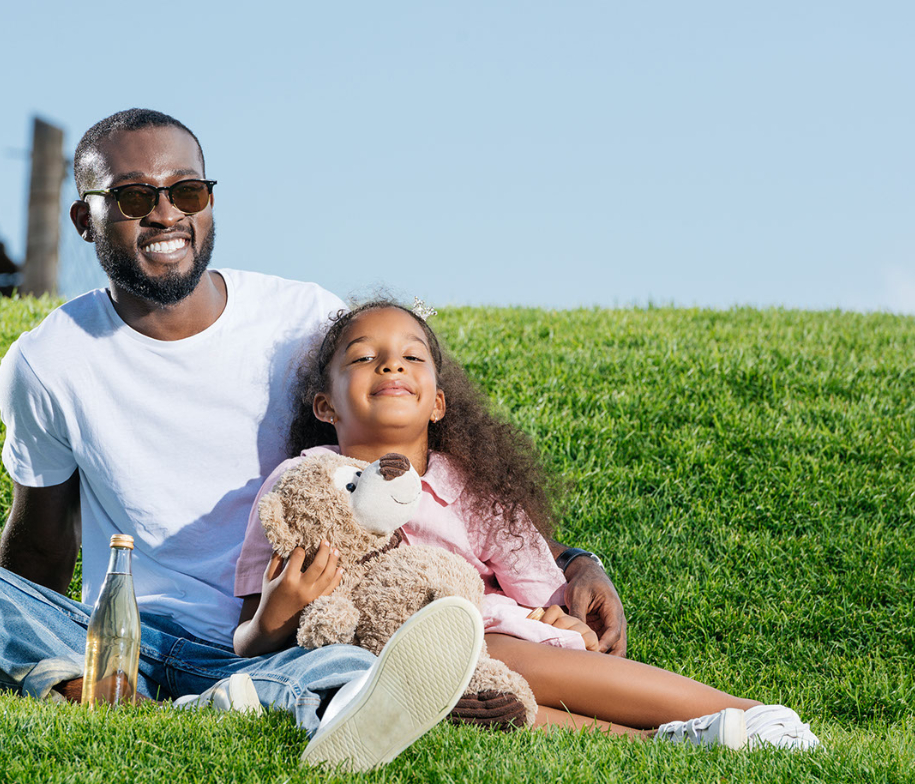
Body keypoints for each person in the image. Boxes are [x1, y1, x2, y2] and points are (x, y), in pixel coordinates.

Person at [0, 108, 549, 772]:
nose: (166, 214)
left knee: (359, 662)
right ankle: (143, 691)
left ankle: (223, 697)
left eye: (187, 190)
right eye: (133, 197)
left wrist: (568, 559)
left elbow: (406, 461)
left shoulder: (300, 317)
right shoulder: (47, 361)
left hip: (276, 636)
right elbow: (40, 542)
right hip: (120, 636)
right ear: (84, 218)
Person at [233, 299, 820, 749]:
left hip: (488, 633)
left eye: (413, 356)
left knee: (492, 647)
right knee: (462, 698)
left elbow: (543, 591)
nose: (391, 363)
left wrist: (561, 617)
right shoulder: (299, 489)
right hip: (382, 665)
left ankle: (747, 712)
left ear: (438, 402)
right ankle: (662, 742)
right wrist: (279, 612)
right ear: (325, 405)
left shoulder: (473, 490)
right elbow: (249, 640)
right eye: (364, 356)